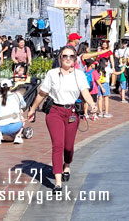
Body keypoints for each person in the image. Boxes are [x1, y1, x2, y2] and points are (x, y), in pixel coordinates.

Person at [27, 46, 97, 192]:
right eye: (65, 56)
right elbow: (42, 93)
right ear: (60, 58)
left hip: (71, 112)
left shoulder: (79, 74)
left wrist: (92, 104)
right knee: (58, 145)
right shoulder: (52, 74)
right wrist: (32, 109)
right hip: (54, 111)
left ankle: (67, 165)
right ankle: (58, 182)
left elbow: (85, 92)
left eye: (71, 56)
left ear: (75, 59)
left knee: (68, 147)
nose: (68, 59)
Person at [0, 79, 26, 145]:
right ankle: (18, 136)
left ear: (0, 88)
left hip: (1, 126)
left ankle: (0, 134)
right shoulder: (17, 95)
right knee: (22, 119)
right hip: (16, 126)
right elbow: (24, 105)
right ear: (11, 87)